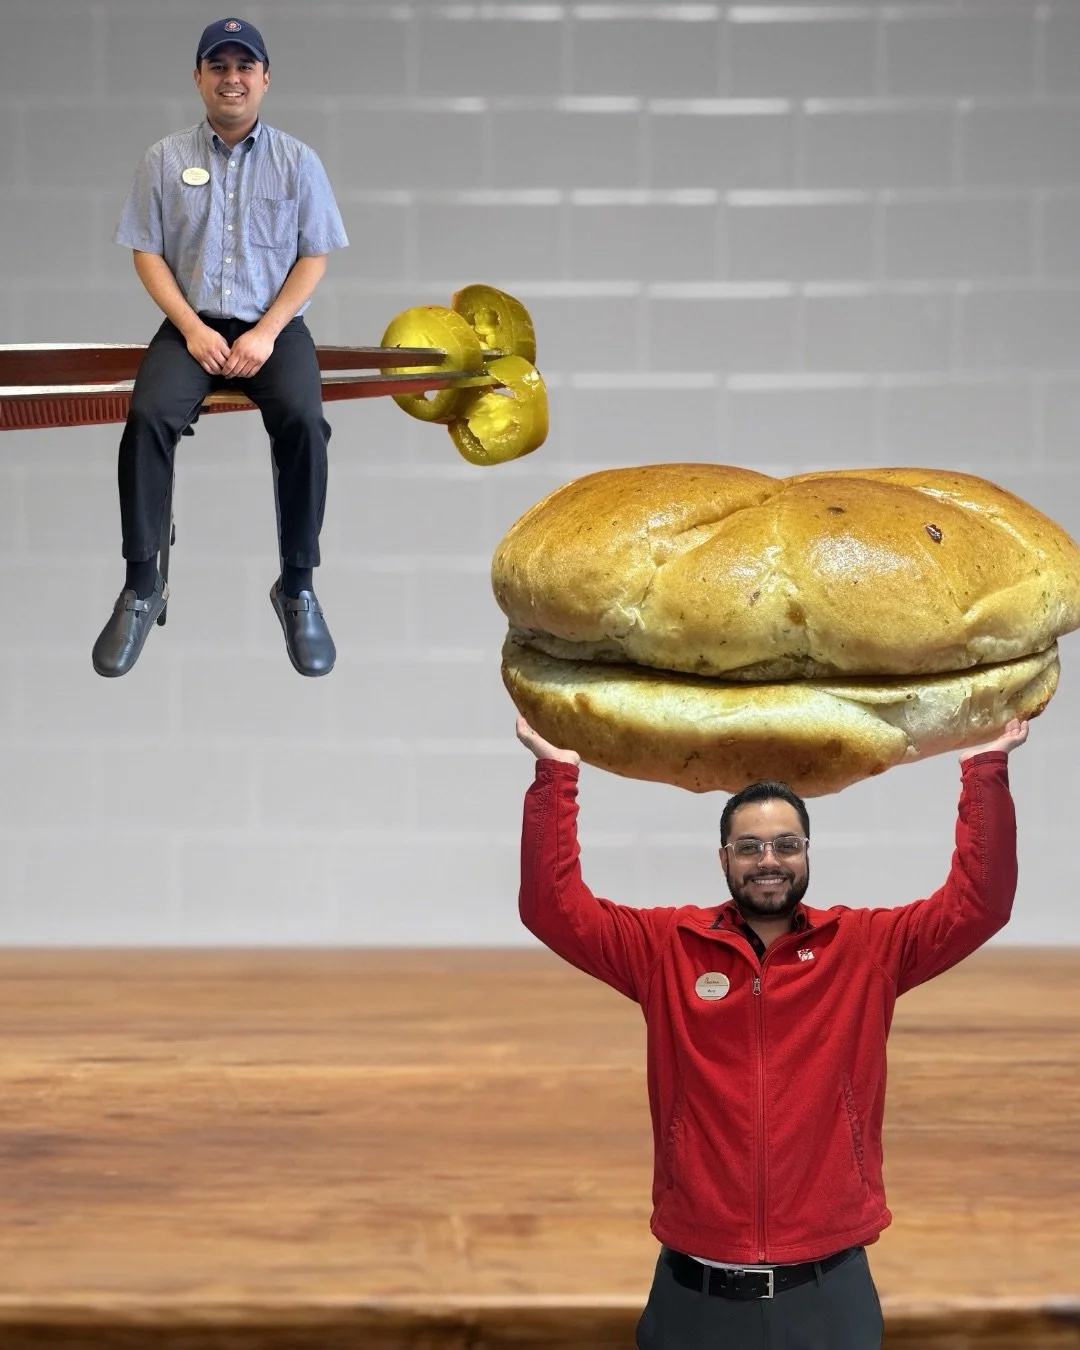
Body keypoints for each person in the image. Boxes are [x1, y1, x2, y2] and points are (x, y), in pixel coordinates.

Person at [515, 714, 1030, 1350]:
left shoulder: (865, 947)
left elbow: (981, 901)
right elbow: (551, 907)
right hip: (693, 1296)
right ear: (724, 857)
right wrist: (556, 774)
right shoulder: (666, 946)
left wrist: (985, 768)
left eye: (786, 845)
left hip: (828, 1296)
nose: (769, 861)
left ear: (807, 854)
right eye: (751, 846)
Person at [92, 17, 348, 679]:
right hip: (191, 325)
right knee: (146, 418)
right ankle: (143, 584)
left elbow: (315, 256)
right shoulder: (164, 159)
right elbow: (146, 252)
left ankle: (297, 587)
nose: (232, 78)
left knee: (303, 422)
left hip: (274, 326)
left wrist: (265, 332)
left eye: (244, 66)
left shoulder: (298, 161)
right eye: (219, 66)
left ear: (264, 78)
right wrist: (193, 329)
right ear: (200, 77)